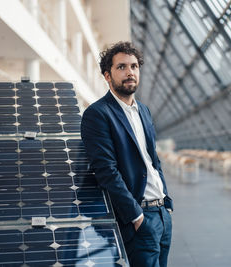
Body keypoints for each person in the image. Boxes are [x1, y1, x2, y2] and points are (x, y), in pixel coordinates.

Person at [81, 41, 173, 267]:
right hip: (139, 218)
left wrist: (167, 203)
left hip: (162, 213)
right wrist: (136, 216)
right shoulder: (98, 114)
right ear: (107, 75)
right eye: (121, 67)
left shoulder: (144, 110)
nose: (130, 72)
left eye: (134, 66)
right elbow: (106, 171)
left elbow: (153, 160)